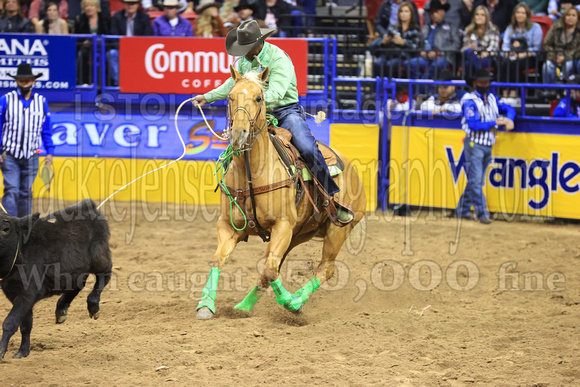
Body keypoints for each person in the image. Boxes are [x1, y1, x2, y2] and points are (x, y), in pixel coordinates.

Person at [192, 20, 354, 224]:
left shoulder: (278, 58)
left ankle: (330, 197)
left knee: (307, 147)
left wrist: (251, 99)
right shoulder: (243, 62)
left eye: (246, 48)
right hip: (255, 114)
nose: (243, 52)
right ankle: (237, 198)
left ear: (258, 44)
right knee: (233, 153)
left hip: (285, 111)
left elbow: (277, 93)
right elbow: (231, 85)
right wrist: (207, 97)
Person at [455, 69, 516, 225]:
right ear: (475, 83)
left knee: (475, 180)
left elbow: (510, 109)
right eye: (481, 82)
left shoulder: (491, 98)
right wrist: (497, 122)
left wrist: (509, 119)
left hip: (487, 144)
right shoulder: (469, 101)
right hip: (474, 144)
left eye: (486, 82)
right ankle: (482, 213)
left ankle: (461, 210)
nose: (484, 84)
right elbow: (473, 124)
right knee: (476, 181)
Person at [0, 64, 54, 217]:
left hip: (32, 155)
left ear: (33, 81)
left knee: (26, 192)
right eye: (21, 80)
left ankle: (23, 228)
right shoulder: (6, 100)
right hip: (9, 154)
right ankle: (6, 229)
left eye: (27, 81)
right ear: (16, 81)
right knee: (11, 190)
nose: (24, 83)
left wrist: (50, 152)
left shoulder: (42, 102)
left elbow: (46, 129)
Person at [404, 0, 461, 84]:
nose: (434, 15)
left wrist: (439, 53)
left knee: (436, 65)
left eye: (436, 12)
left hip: (444, 57)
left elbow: (456, 45)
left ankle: (422, 89)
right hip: (426, 57)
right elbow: (419, 43)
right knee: (409, 63)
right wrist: (421, 52)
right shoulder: (426, 28)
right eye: (431, 12)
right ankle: (421, 88)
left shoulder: (451, 27)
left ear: (443, 12)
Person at [500, 3, 543, 102]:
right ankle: (504, 94)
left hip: (529, 57)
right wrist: (507, 53)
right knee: (504, 62)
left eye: (523, 13)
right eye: (518, 12)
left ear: (527, 15)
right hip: (512, 56)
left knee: (515, 63)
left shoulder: (536, 28)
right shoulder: (510, 28)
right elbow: (505, 46)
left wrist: (521, 55)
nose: (520, 15)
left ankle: (514, 95)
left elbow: (536, 48)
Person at [108, 0, 154, 86]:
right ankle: (118, 84)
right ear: (124, 4)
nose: (130, 6)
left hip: (139, 50)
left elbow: (148, 37)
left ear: (137, 5)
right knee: (112, 54)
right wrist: (124, 49)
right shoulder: (117, 16)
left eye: (133, 3)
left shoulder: (144, 17)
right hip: (121, 49)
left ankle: (141, 84)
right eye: (128, 3)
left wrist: (135, 49)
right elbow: (113, 37)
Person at [372, 1, 422, 78]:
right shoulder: (393, 27)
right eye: (401, 11)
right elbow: (381, 46)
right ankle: (376, 89)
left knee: (391, 64)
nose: (403, 14)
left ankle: (389, 89)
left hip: (403, 55)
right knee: (377, 63)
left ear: (411, 14)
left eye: (406, 11)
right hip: (389, 53)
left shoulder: (415, 29)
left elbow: (416, 47)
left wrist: (403, 42)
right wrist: (384, 42)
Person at [542, 6, 580, 83]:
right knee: (547, 66)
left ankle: (564, 90)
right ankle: (548, 91)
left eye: (573, 15)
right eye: (568, 15)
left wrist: (565, 57)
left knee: (568, 65)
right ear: (564, 16)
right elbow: (546, 43)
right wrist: (554, 56)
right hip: (555, 56)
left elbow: (578, 49)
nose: (570, 18)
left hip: (573, 57)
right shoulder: (556, 27)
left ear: (577, 18)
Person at [461, 5, 500, 80]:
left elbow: (493, 48)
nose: (479, 17)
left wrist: (484, 54)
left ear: (487, 17)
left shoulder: (493, 29)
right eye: (477, 14)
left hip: (487, 58)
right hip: (472, 55)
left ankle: (471, 88)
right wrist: (469, 47)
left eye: (482, 15)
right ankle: (481, 77)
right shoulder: (469, 30)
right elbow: (463, 49)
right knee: (468, 53)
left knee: (468, 64)